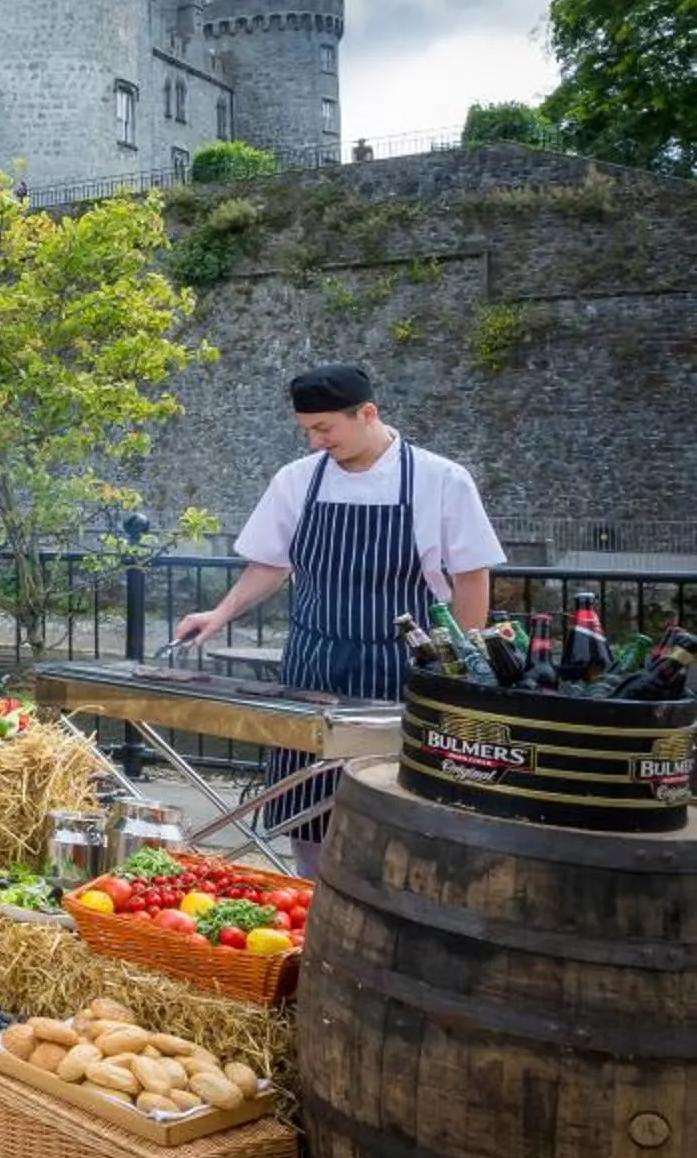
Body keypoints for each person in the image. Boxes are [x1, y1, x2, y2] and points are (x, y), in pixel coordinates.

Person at [172, 363, 504, 872]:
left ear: (366, 413)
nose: (315, 441)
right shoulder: (297, 481)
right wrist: (219, 613)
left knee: (398, 801)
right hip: (313, 663)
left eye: (324, 428)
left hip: (403, 668)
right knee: (306, 804)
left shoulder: (440, 479)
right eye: (307, 430)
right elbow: (270, 565)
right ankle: (311, 897)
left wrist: (461, 663)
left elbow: (471, 577)